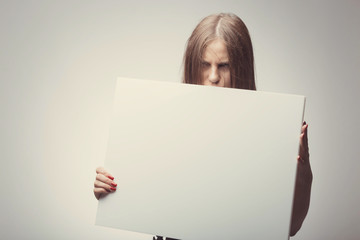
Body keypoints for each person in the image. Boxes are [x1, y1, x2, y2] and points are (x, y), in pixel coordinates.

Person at [93, 13, 313, 239]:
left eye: (224, 65)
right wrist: (111, 191)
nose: (214, 76)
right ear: (192, 65)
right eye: (205, 64)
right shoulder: (163, 122)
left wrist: (302, 176)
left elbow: (290, 228)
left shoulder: (271, 132)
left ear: (242, 67)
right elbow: (146, 202)